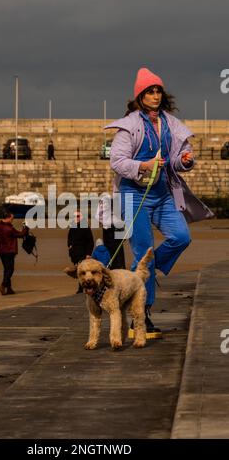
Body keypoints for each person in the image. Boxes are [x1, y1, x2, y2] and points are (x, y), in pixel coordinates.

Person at [106, 67, 213, 336]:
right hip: (133, 195)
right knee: (143, 253)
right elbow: (117, 162)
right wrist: (144, 164)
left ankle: (150, 271)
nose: (155, 95)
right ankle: (141, 316)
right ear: (139, 96)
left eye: (158, 91)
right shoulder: (128, 127)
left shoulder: (170, 124)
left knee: (181, 237)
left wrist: (185, 161)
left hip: (164, 193)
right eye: (149, 91)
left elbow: (176, 159)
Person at [0, 210, 29, 295]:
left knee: (6, 269)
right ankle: (3, 285)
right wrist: (26, 227)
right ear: (7, 218)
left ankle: (9, 289)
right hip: (10, 250)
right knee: (10, 269)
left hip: (1, 250)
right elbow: (21, 235)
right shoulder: (9, 228)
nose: (12, 220)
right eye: (12, 218)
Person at [67, 211, 94, 293]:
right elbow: (69, 238)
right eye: (75, 216)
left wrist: (88, 253)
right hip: (75, 254)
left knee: (83, 271)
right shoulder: (73, 226)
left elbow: (90, 241)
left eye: (78, 216)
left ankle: (82, 288)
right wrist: (70, 247)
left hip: (83, 254)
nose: (76, 218)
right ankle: (82, 287)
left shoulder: (85, 226)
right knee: (79, 271)